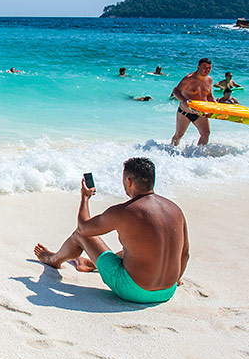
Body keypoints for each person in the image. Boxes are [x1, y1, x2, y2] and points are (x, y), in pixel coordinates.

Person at [34, 157, 188, 304]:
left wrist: (85, 198)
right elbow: (184, 253)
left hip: (135, 291)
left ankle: (53, 260)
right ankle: (90, 264)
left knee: (80, 235)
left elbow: (84, 228)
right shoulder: (175, 210)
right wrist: (176, 279)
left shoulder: (125, 211)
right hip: (168, 290)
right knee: (143, 245)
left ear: (129, 181)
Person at [171, 58, 215, 146]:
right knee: (179, 135)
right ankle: (170, 152)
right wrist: (184, 100)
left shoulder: (209, 80)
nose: (207, 70)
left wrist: (215, 104)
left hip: (200, 113)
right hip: (185, 112)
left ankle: (198, 155)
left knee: (205, 134)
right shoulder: (189, 79)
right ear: (198, 67)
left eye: (209, 68)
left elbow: (209, 95)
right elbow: (176, 91)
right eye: (204, 67)